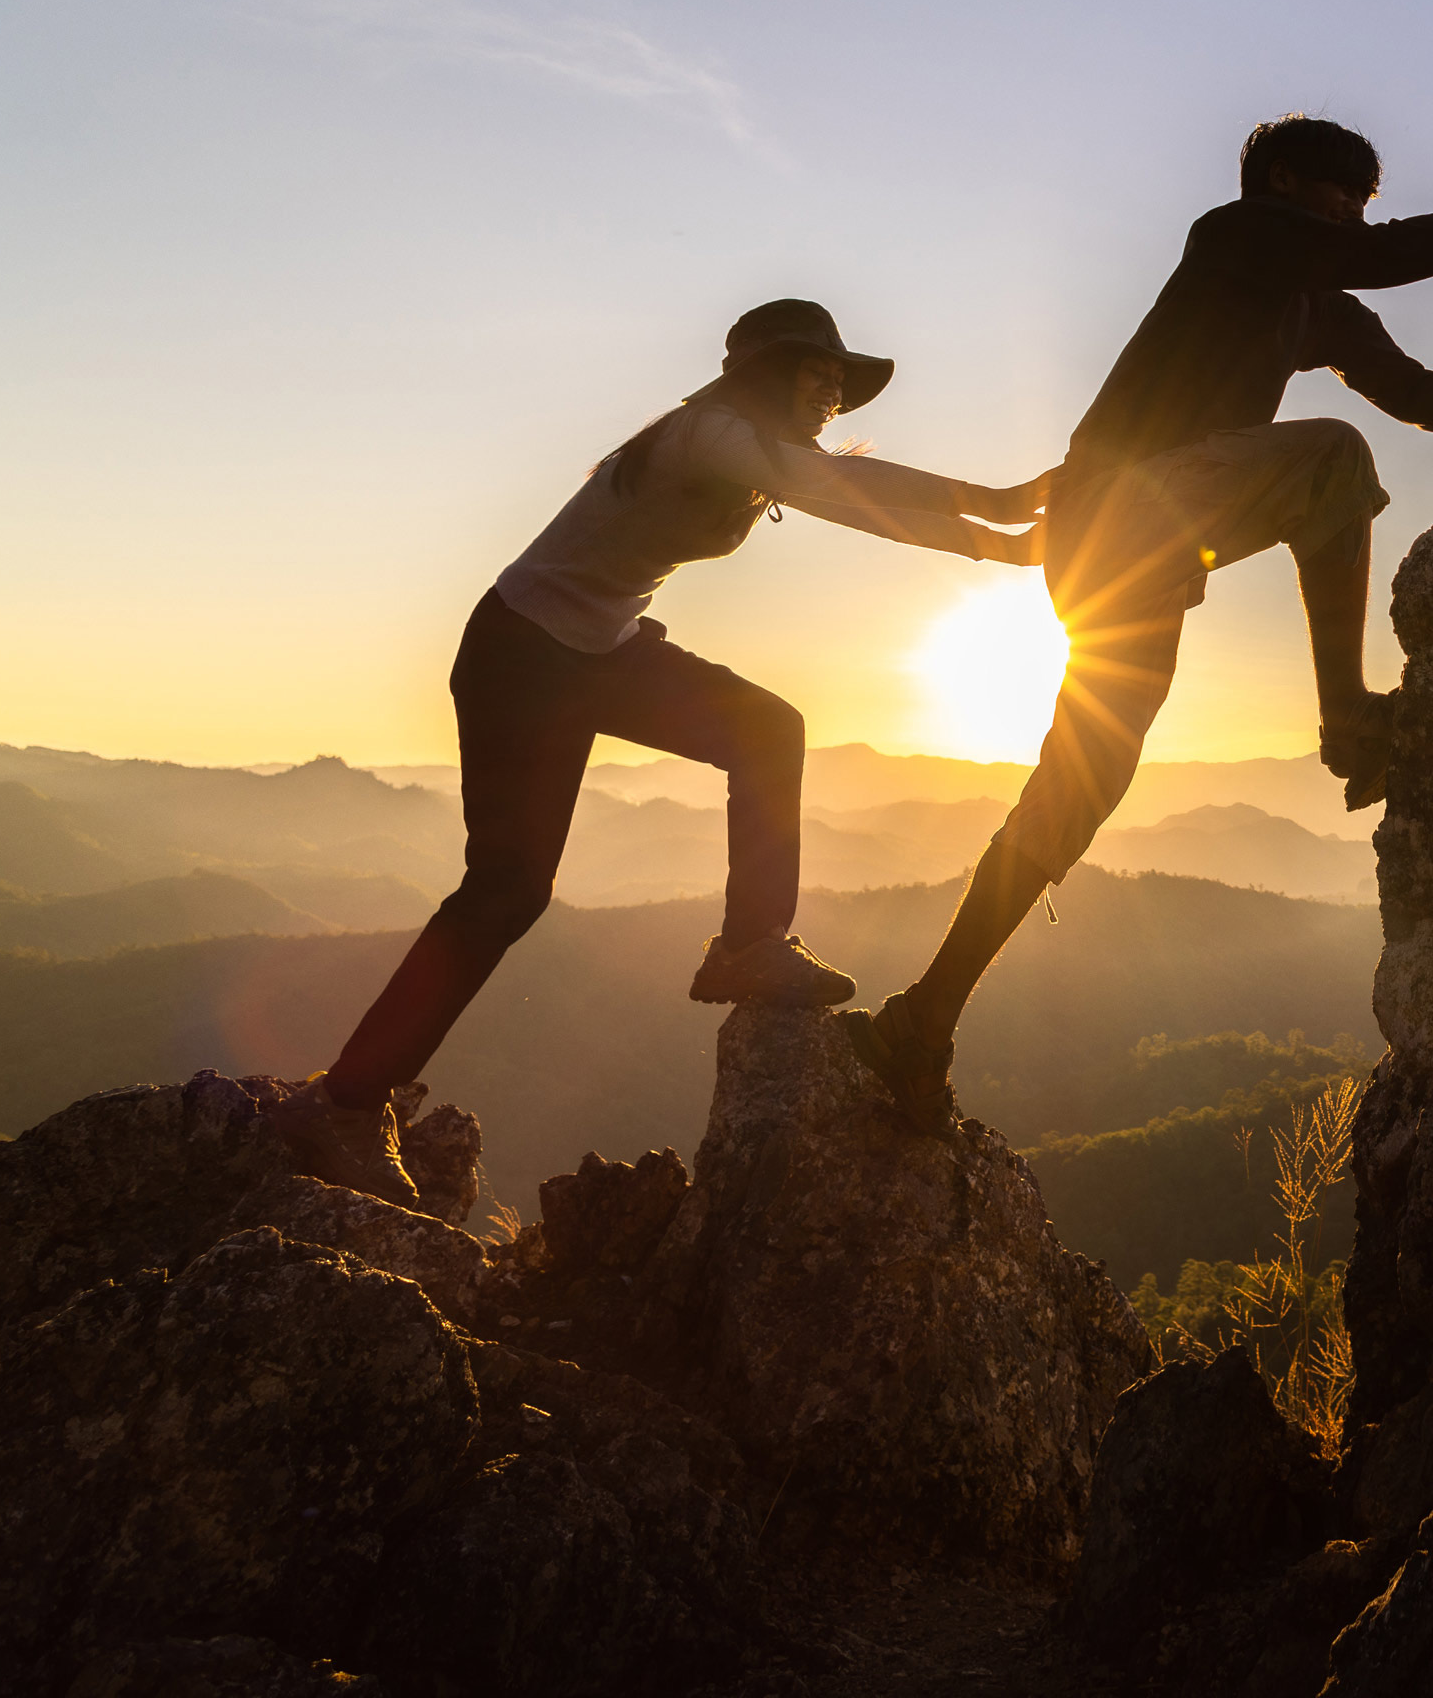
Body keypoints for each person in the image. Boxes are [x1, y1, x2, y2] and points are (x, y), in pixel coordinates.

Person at [851, 116, 1433, 1132]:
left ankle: (923, 1018)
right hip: (1116, 505)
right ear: (1285, 185)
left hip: (1150, 538)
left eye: (1360, 207)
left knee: (1084, 784)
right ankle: (1346, 718)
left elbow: (1414, 392)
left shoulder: (1314, 307)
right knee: (1332, 460)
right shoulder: (1234, 234)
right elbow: (1383, 260)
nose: (1353, 219)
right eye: (1340, 200)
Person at [275, 297, 1051, 1206]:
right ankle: (346, 1103)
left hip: (602, 652)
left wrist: (1010, 540)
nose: (833, 389)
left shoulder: (753, 456)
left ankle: (748, 946)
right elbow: (852, 499)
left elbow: (840, 489)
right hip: (522, 652)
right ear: (762, 371)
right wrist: (1001, 522)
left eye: (840, 379)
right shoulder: (709, 433)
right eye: (816, 369)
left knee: (768, 729)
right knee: (507, 892)